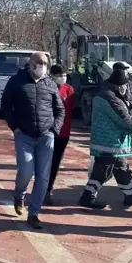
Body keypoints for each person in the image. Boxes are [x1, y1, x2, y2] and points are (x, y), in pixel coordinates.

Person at [1, 51, 65, 229]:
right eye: (40, 62)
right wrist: (15, 127)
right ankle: (19, 195)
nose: (42, 66)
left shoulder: (50, 83)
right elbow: (6, 106)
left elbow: (60, 109)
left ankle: (34, 213)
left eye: (45, 63)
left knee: (43, 177)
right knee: (26, 171)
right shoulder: (16, 81)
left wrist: (54, 130)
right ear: (30, 63)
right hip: (24, 136)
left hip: (46, 136)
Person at [79, 69, 132, 210]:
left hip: (111, 141)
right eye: (125, 86)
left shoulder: (108, 94)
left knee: (121, 168)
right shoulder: (111, 98)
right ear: (119, 86)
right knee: (103, 170)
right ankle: (87, 196)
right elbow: (126, 121)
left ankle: (131, 195)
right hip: (109, 142)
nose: (127, 89)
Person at [45, 64, 75, 205]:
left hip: (63, 133)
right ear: (52, 75)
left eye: (64, 75)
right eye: (59, 75)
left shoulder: (69, 90)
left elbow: (70, 111)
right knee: (44, 162)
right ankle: (42, 186)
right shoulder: (45, 87)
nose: (63, 78)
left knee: (56, 162)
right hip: (47, 131)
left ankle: (48, 189)